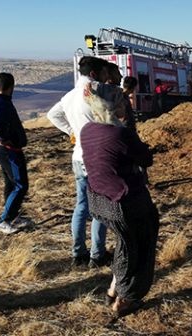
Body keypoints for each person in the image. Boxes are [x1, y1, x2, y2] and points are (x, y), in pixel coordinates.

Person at [80, 82, 159, 317]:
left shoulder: (87, 130)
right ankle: (126, 299)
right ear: (116, 105)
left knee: (125, 243)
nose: (127, 103)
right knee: (139, 245)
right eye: (123, 101)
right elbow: (146, 159)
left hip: (98, 198)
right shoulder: (120, 133)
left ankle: (113, 289)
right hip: (124, 200)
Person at [47, 56, 111, 268]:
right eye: (104, 73)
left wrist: (71, 131)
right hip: (97, 158)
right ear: (94, 74)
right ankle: (97, 255)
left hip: (78, 157)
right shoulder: (96, 92)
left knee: (81, 205)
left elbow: (52, 115)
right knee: (100, 208)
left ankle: (78, 253)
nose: (106, 77)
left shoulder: (69, 96)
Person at [0, 73, 31, 234]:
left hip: (7, 149)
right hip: (8, 150)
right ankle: (3, 221)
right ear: (11, 86)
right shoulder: (1, 103)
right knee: (21, 184)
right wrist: (5, 139)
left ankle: (12, 216)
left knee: (11, 184)